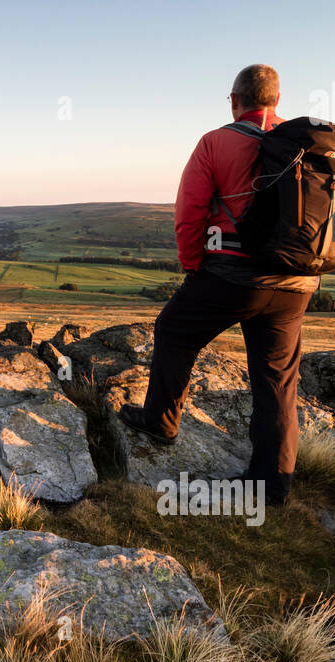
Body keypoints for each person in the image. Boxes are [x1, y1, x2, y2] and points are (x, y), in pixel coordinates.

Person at [119, 64, 319, 504]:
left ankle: (161, 422)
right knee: (277, 379)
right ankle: (273, 485)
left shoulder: (215, 142)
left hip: (231, 276)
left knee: (174, 330)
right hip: (296, 283)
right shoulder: (306, 145)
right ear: (277, 100)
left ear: (234, 100)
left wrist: (193, 266)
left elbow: (189, 213)